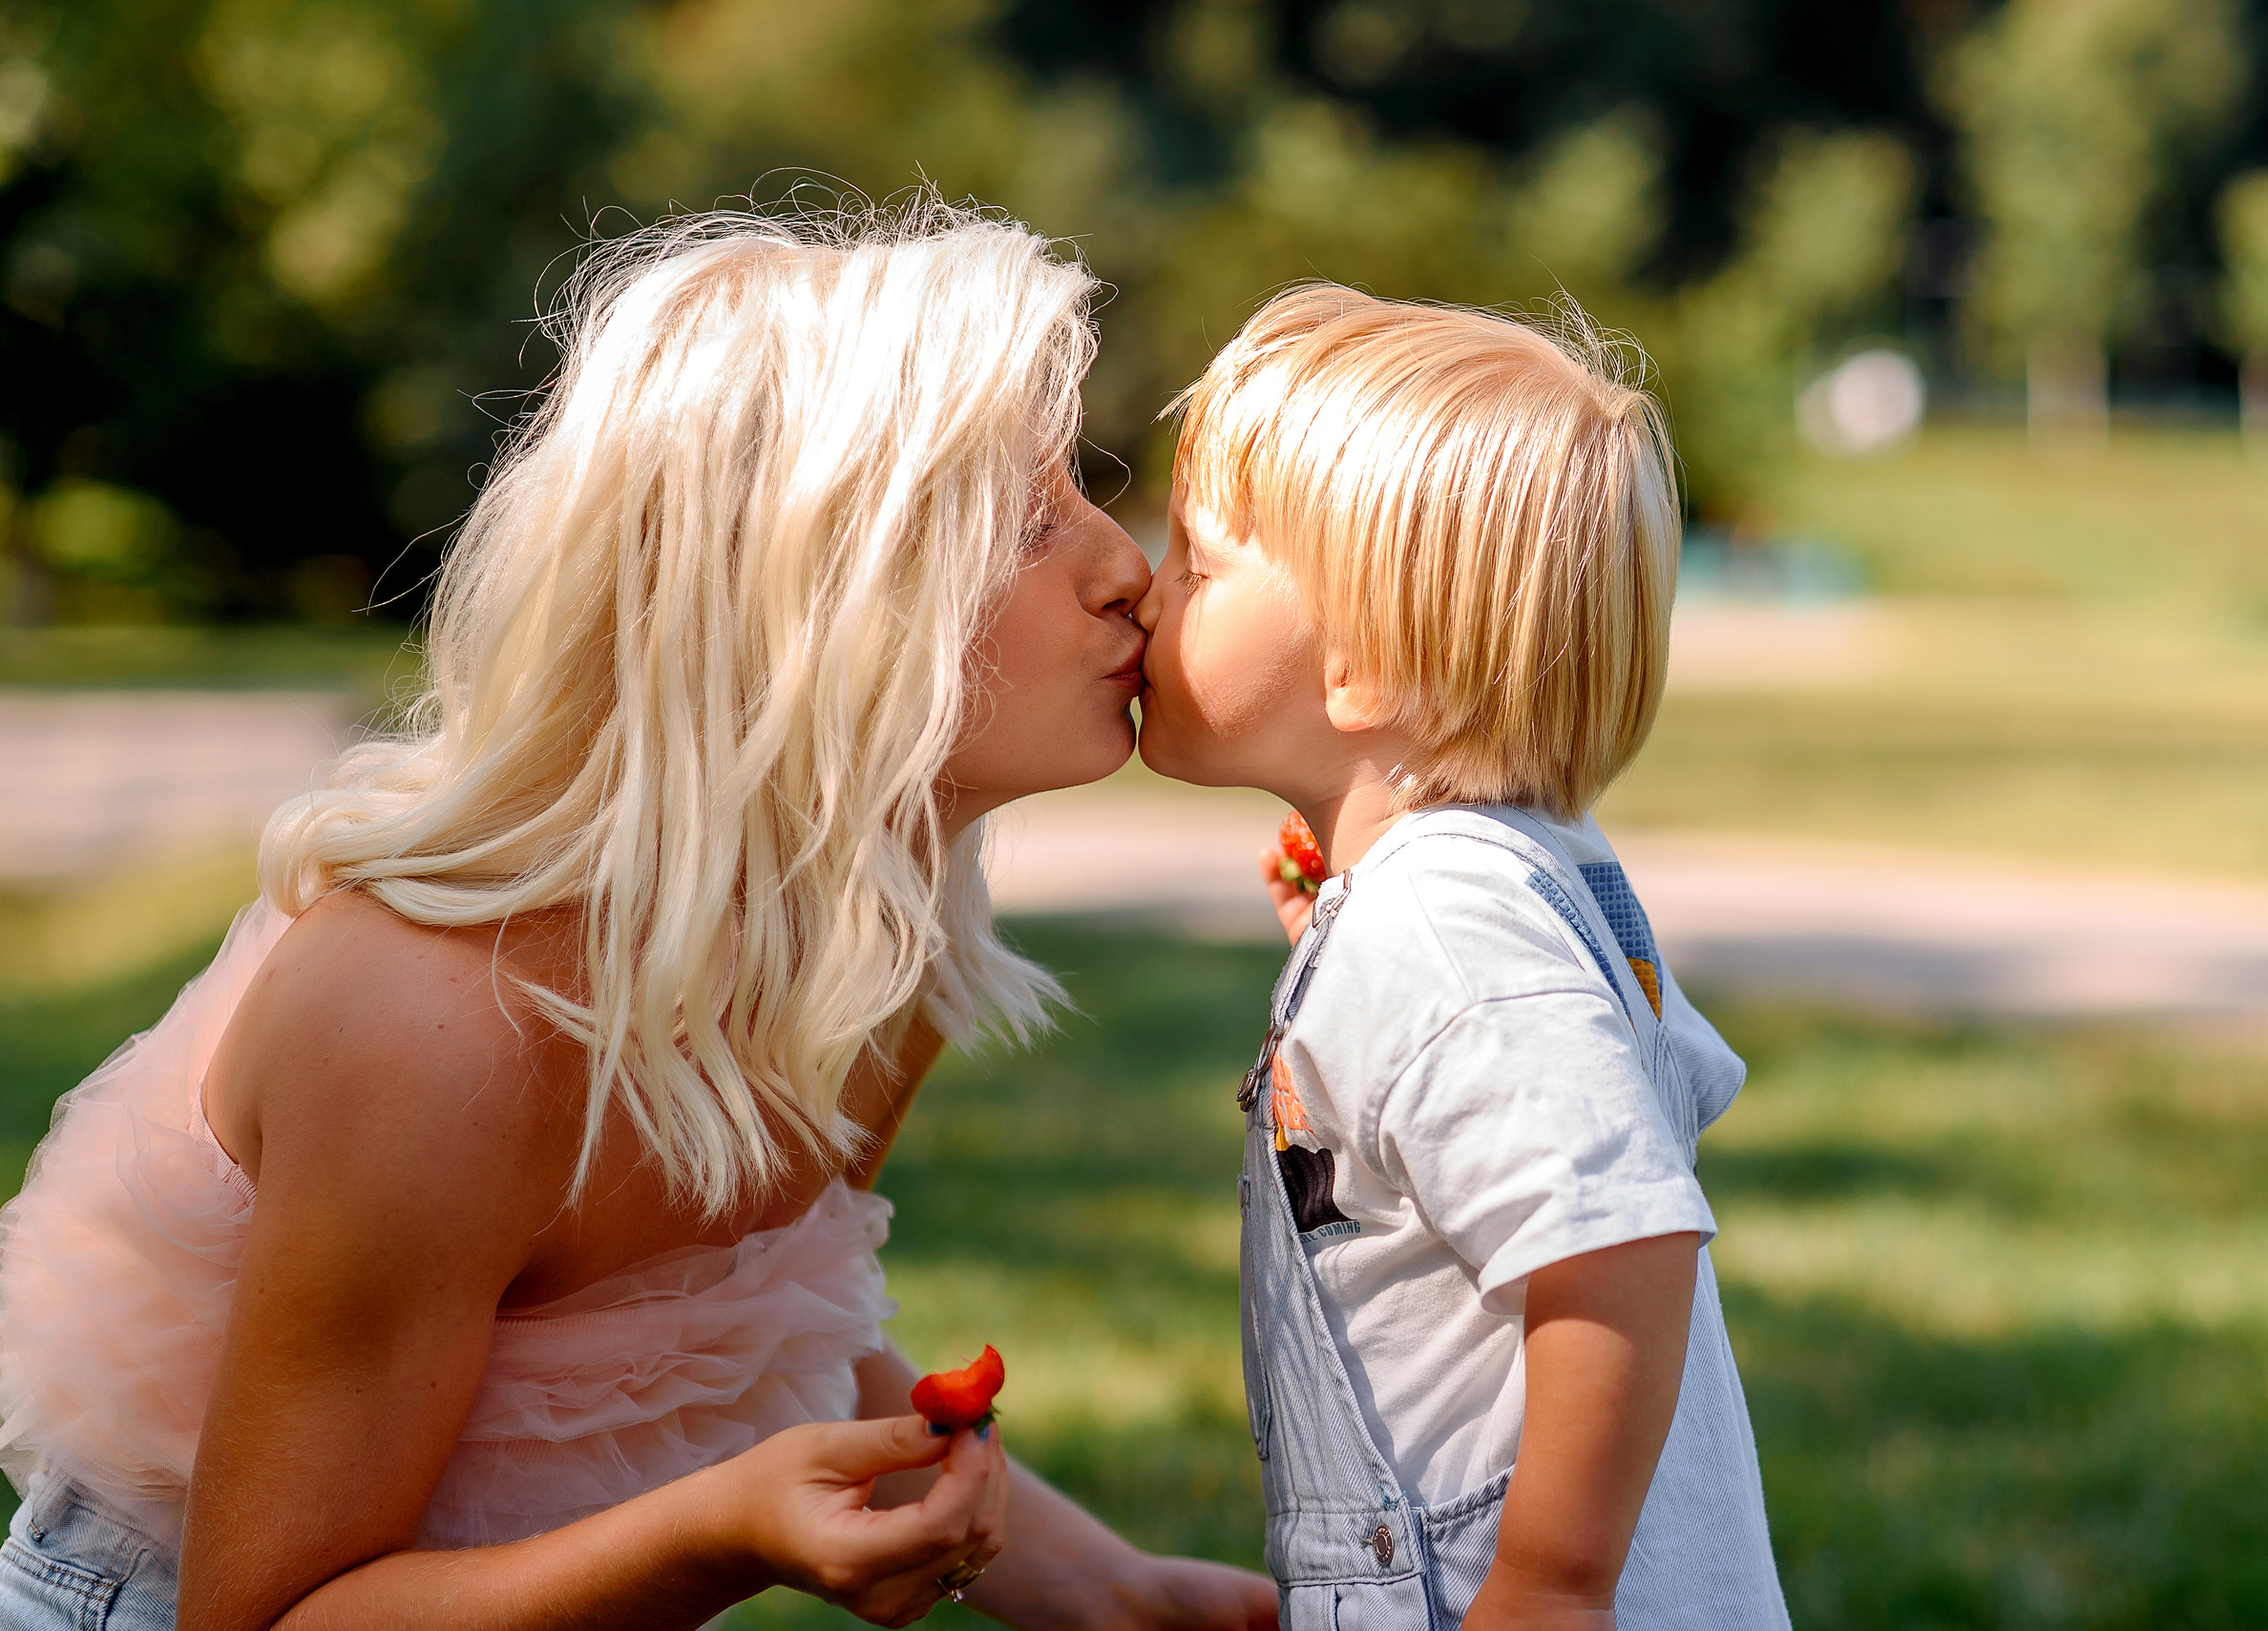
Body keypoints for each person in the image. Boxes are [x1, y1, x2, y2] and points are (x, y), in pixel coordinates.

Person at [0, 205, 1276, 1631]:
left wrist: (1116, 1587)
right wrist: (720, 1531)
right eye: (1029, 523)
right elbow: (264, 1612)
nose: (1125, 567)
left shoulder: (874, 960)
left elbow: (734, 1323)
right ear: (801, 606)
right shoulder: (444, 1027)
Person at [1133, 286, 1790, 1629]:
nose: (1150, 586)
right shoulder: (1489, 890)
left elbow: (1623, 1236)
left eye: (1197, 564)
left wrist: (1550, 1587)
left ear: (1362, 668)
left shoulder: (1443, 929)